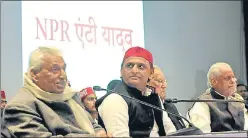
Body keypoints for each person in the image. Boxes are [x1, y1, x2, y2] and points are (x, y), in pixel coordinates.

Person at [3, 46, 110, 137]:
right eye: (55, 69)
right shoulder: (20, 106)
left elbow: (92, 123)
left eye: (64, 69)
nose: (63, 75)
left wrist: (99, 132)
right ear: (34, 74)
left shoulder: (70, 96)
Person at [96, 46, 166, 137]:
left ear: (151, 73)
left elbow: (170, 130)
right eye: (129, 66)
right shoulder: (114, 100)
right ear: (121, 71)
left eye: (141, 67)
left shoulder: (153, 97)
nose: (134, 70)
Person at [187, 62, 248, 133]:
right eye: (228, 78)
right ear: (214, 82)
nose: (234, 81)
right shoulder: (203, 103)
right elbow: (203, 134)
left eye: (233, 77)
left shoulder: (238, 100)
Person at [148, 65, 186, 130]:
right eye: (159, 81)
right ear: (146, 85)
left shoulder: (170, 106)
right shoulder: (143, 109)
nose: (164, 86)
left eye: (164, 81)